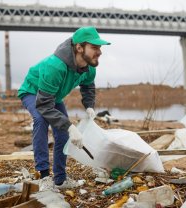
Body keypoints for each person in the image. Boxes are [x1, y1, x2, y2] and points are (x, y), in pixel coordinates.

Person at [17, 26, 110, 191]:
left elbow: (88, 86)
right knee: (40, 119)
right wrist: (69, 125)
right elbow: (44, 105)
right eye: (94, 47)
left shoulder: (90, 67)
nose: (99, 52)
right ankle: (44, 176)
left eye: (100, 48)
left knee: (62, 133)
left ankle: (60, 179)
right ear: (79, 47)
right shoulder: (55, 66)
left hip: (54, 96)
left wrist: (89, 106)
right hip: (33, 91)